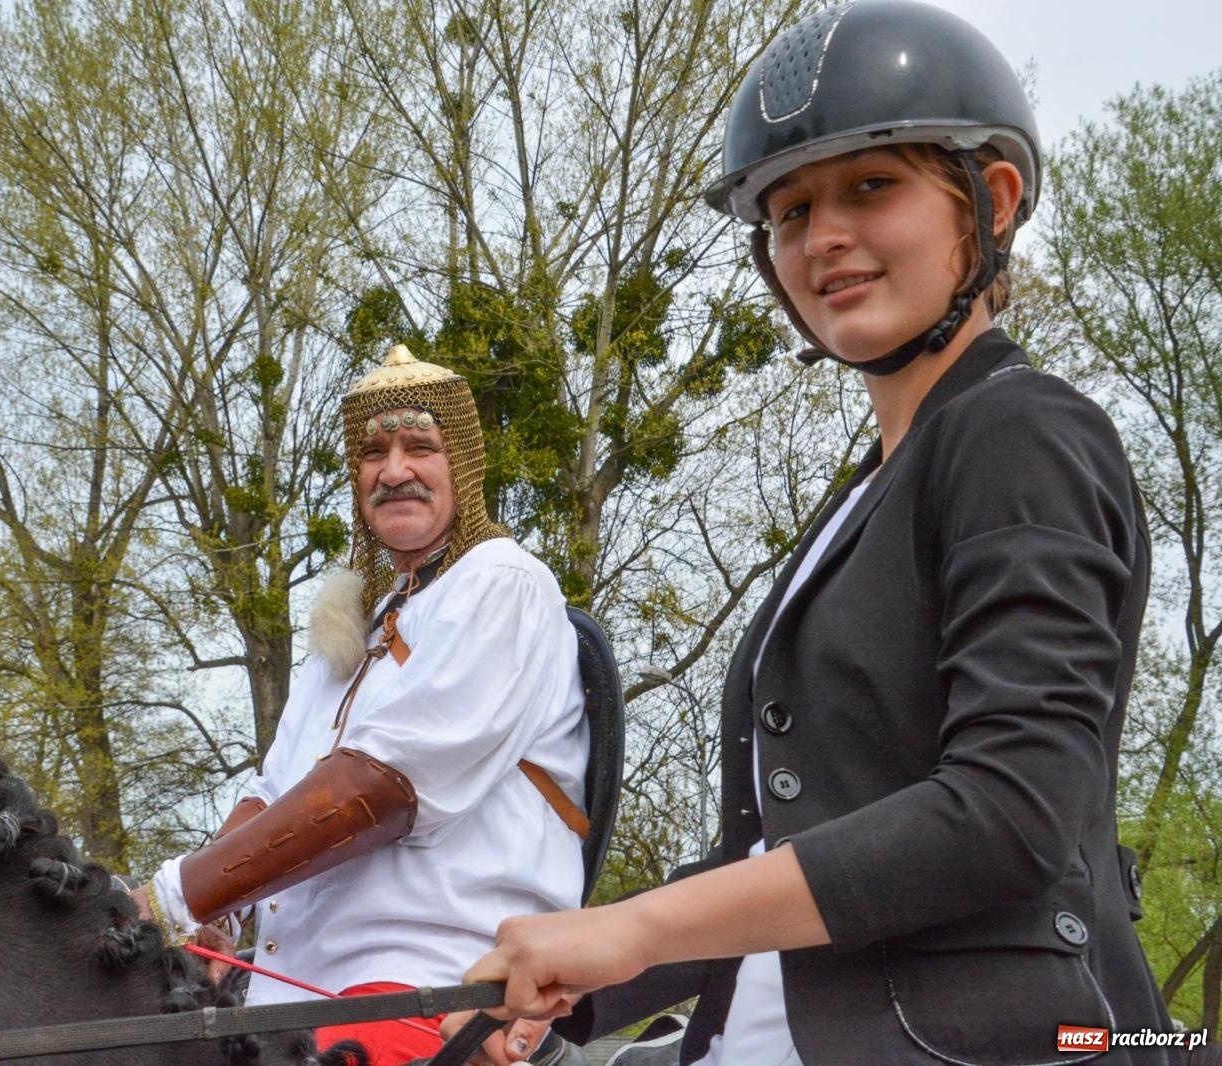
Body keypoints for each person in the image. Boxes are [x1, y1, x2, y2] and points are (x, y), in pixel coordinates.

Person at [463, 2, 1181, 1063]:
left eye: (871, 186)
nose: (824, 236)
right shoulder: (863, 494)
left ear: (989, 201)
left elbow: (1012, 809)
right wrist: (569, 990)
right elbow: (770, 856)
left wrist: (627, 925)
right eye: (791, 211)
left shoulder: (1019, 430)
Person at [136, 344, 590, 1066]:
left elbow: (380, 784)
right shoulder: (354, 629)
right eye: (373, 453)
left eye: (420, 445)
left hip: (431, 993)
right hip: (288, 1002)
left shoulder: (503, 583)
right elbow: (271, 792)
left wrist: (168, 900)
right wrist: (220, 911)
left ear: (462, 467)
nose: (395, 470)